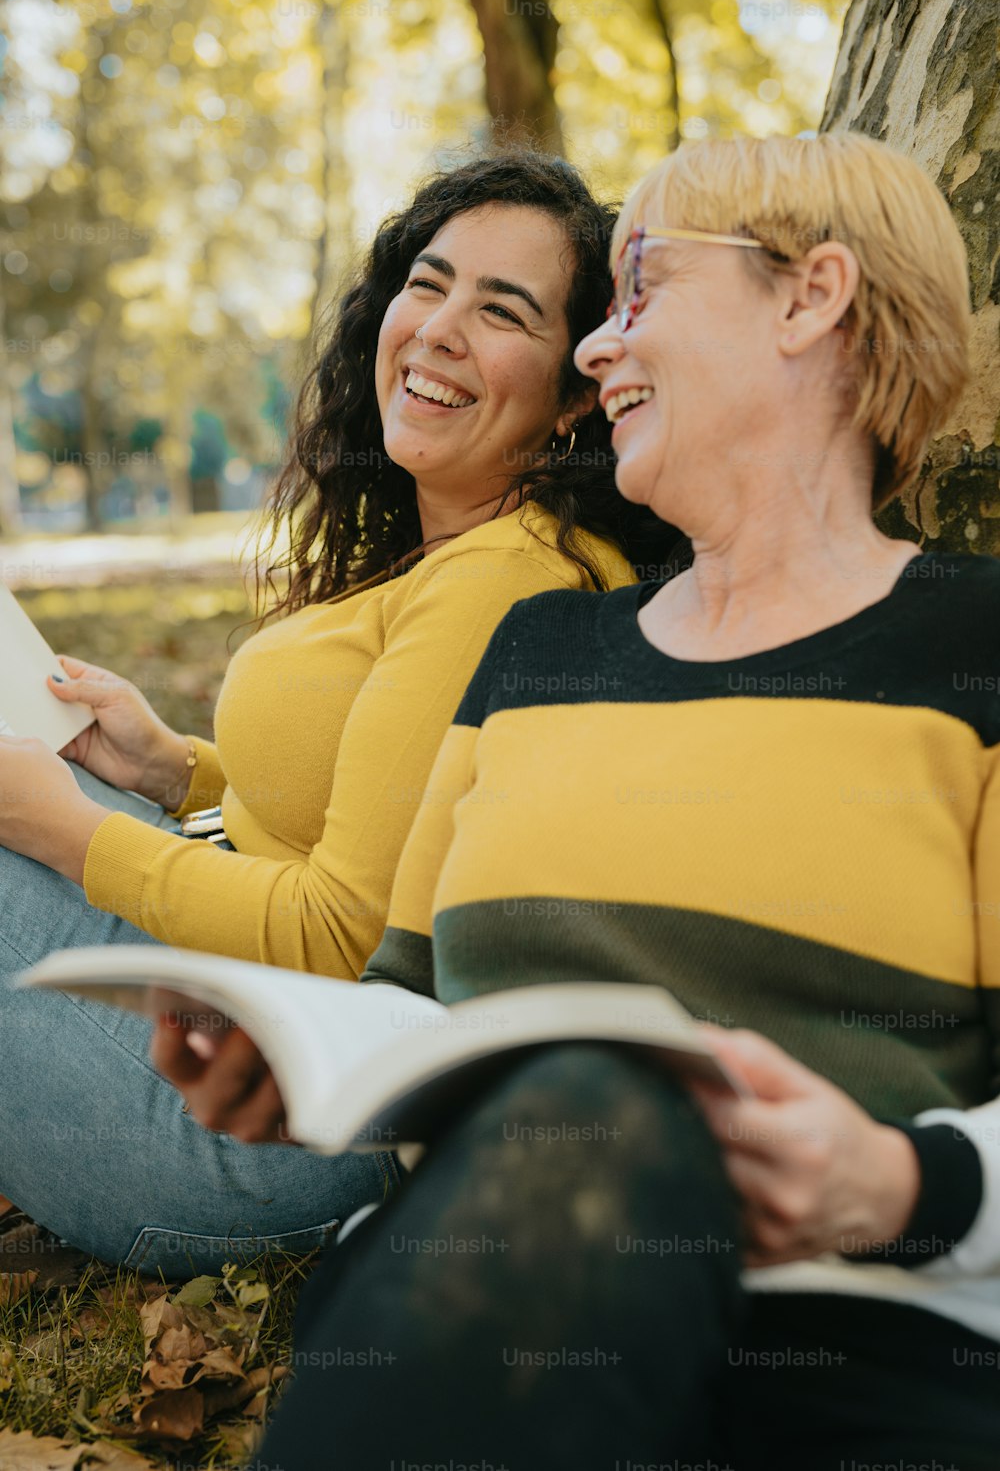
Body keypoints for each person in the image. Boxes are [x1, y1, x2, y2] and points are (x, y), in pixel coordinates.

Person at [221, 133, 998, 1469]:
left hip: (851, 1344)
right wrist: (293, 1063)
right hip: (470, 1307)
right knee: (581, 1108)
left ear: (810, 299)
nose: (594, 348)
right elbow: (403, 1010)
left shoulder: (973, 655)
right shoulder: (536, 654)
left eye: (640, 290)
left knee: (609, 1101)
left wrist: (904, 1182)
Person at [0, 152, 671, 1275]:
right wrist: (179, 776)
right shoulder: (458, 555)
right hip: (261, 1044)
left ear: (573, 394)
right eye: (430, 281)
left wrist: (60, 828)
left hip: (276, 1135)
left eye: (500, 310)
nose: (441, 327)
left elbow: (345, 936)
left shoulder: (504, 578)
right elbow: (386, 826)